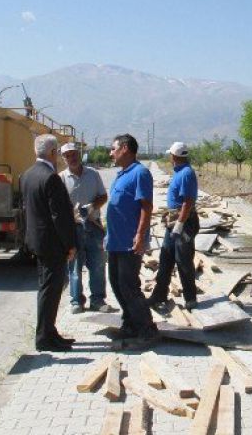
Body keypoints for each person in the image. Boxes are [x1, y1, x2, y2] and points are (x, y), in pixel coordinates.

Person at [20, 134, 77, 352]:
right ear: (53, 153)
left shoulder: (27, 175)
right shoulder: (51, 177)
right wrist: (70, 244)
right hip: (52, 244)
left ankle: (50, 332)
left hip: (37, 241)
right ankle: (44, 337)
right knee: (50, 290)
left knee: (48, 288)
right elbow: (59, 216)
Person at [105, 134, 159, 346]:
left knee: (129, 286)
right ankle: (129, 324)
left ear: (125, 148)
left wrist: (139, 236)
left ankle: (147, 329)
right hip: (115, 242)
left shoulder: (140, 173)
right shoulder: (121, 175)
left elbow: (146, 207)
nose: (110, 153)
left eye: (113, 148)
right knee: (117, 285)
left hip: (129, 242)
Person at [58, 142, 115, 314]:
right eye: (67, 156)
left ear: (79, 154)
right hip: (73, 228)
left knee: (97, 265)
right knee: (74, 266)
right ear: (64, 158)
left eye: (74, 154)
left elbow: (103, 196)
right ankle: (76, 301)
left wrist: (92, 206)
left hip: (93, 225)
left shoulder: (93, 174)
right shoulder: (61, 178)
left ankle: (98, 300)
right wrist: (71, 213)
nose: (72, 158)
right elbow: (58, 205)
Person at [147, 142, 200, 311]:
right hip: (174, 222)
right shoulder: (179, 172)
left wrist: (180, 223)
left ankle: (190, 298)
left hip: (184, 223)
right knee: (166, 259)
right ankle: (159, 295)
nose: (170, 157)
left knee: (183, 261)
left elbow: (188, 201)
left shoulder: (186, 174)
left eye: (171, 155)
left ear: (175, 156)